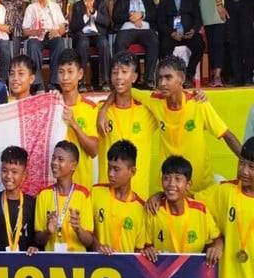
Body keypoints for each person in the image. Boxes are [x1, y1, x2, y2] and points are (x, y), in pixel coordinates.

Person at [101, 55, 241, 192]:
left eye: (168, 77)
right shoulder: (155, 100)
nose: (162, 83)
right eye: (160, 78)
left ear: (182, 78)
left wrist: (247, 161)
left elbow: (227, 135)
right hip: (170, 187)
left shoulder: (198, 104)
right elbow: (122, 88)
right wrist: (103, 111)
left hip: (200, 188)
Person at [194, 138, 254, 278]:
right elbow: (192, 204)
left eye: (251, 167)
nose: (244, 171)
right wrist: (217, 238)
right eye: (242, 163)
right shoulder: (225, 191)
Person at [96, 52, 157, 198]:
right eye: (115, 72)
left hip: (138, 196)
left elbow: (167, 98)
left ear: (135, 77)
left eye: (124, 72)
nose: (118, 77)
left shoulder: (147, 111)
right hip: (107, 194)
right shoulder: (99, 111)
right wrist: (104, 108)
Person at [142, 156, 222, 266]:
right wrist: (148, 250)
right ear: (161, 181)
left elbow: (217, 239)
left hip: (193, 275)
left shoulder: (200, 211)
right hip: (161, 274)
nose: (171, 184)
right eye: (166, 178)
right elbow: (144, 246)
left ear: (188, 185)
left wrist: (216, 248)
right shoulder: (154, 211)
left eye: (178, 179)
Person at [34, 141, 94, 252]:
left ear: (73, 165)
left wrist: (78, 229)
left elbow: (90, 242)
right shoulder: (43, 194)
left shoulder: (83, 194)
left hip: (77, 264)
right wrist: (48, 231)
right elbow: (37, 240)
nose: (54, 163)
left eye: (60, 159)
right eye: (53, 158)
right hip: (52, 264)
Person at [91, 140, 146, 254]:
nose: (111, 174)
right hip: (95, 267)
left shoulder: (141, 208)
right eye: (109, 168)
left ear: (132, 172)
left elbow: (139, 248)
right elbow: (85, 231)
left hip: (126, 270)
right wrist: (97, 246)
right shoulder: (96, 192)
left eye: (116, 169)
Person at [58, 48, 99, 189]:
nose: (65, 78)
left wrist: (74, 124)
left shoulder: (91, 107)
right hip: (54, 188)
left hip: (81, 187)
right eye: (61, 72)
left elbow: (93, 151)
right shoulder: (52, 105)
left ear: (80, 74)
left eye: (70, 71)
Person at [156, 0, 204, 88]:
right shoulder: (164, 1)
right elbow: (160, 23)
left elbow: (198, 19)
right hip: (171, 35)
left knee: (199, 44)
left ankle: (188, 75)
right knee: (164, 46)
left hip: (188, 34)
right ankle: (171, 77)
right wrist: (172, 33)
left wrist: (193, 30)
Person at [112, 0, 158, 89]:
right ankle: (123, 78)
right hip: (127, 30)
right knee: (119, 42)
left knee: (154, 41)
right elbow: (115, 16)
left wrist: (141, 15)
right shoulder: (121, 0)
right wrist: (131, 16)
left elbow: (154, 15)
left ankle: (148, 79)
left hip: (145, 30)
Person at [22, 0, 67, 91]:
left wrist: (56, 31)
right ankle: (38, 84)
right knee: (32, 45)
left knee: (60, 43)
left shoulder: (55, 7)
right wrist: (35, 32)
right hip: (37, 36)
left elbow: (63, 28)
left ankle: (54, 83)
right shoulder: (31, 8)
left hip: (52, 35)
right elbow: (25, 31)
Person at [69, 0, 111, 91]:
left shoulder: (100, 4)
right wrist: (86, 16)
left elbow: (107, 23)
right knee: (82, 43)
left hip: (98, 35)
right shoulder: (78, 5)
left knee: (104, 43)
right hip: (83, 35)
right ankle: (81, 82)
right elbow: (73, 27)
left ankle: (106, 81)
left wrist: (93, 12)